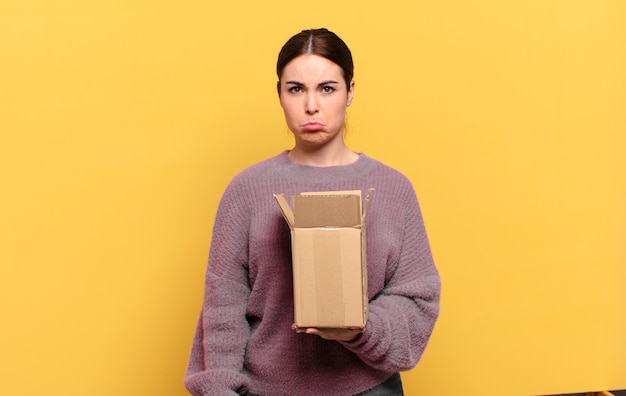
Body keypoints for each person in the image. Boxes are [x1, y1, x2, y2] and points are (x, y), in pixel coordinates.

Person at [184, 28, 441, 396]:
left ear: (350, 91)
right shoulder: (247, 190)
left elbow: (417, 299)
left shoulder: (393, 190)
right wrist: (220, 388)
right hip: (265, 389)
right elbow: (223, 304)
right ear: (279, 95)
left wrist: (360, 328)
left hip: (367, 389)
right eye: (295, 89)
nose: (311, 105)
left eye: (327, 88)